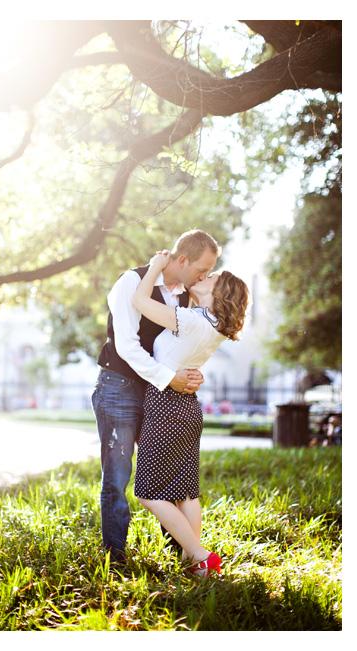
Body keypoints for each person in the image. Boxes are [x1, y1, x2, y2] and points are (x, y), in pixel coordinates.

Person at [91, 229, 219, 565]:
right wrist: (170, 378)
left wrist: (191, 374)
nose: (204, 277)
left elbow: (183, 345)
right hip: (119, 385)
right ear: (181, 259)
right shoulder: (131, 283)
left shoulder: (187, 297)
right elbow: (127, 346)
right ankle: (115, 558)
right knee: (117, 477)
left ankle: (186, 554)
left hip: (159, 395)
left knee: (167, 474)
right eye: (201, 269)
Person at [132, 250, 249, 577]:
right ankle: (195, 566)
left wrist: (154, 267)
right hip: (188, 409)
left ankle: (199, 554)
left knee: (147, 493)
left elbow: (140, 301)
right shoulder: (213, 328)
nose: (204, 277)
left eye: (211, 278)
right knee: (184, 491)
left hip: (167, 407)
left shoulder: (192, 320)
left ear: (218, 293)